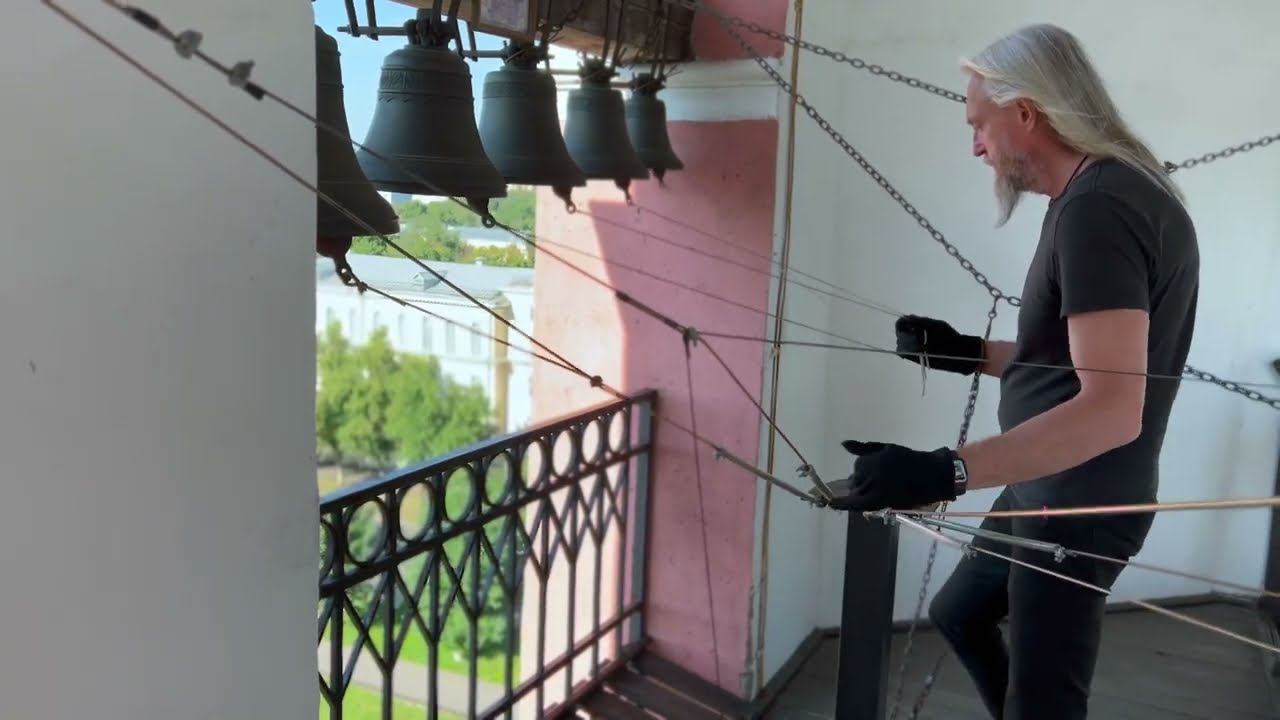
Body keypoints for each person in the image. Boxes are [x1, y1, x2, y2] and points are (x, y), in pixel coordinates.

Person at [828, 24, 1200, 720]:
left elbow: (1112, 407)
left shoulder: (1099, 209)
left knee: (1044, 702)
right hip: (1045, 485)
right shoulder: (1099, 194)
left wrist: (948, 471)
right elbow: (1074, 363)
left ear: (1025, 112)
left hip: (1076, 506)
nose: (976, 145)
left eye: (979, 125)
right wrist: (968, 353)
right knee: (960, 614)